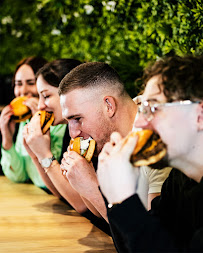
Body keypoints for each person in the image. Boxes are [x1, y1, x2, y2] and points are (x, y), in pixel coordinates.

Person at [97, 55, 203, 252]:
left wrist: (124, 201)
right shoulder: (179, 182)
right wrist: (116, 196)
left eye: (153, 108)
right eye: (142, 109)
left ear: (199, 115)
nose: (138, 123)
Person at [58, 61, 171, 224]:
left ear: (109, 106)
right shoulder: (114, 135)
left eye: (77, 119)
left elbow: (149, 239)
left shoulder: (156, 143)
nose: (72, 133)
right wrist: (83, 183)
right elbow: (99, 214)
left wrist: (91, 187)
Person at [22, 59, 88, 213]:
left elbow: (82, 203)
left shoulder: (89, 133)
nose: (40, 106)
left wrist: (45, 154)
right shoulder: (68, 130)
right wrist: (35, 154)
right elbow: (62, 194)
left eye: (46, 96)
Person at [0, 56, 48, 189]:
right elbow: (19, 176)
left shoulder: (59, 124)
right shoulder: (23, 123)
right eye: (19, 84)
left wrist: (40, 126)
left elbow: (44, 182)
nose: (24, 91)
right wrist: (7, 140)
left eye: (31, 83)